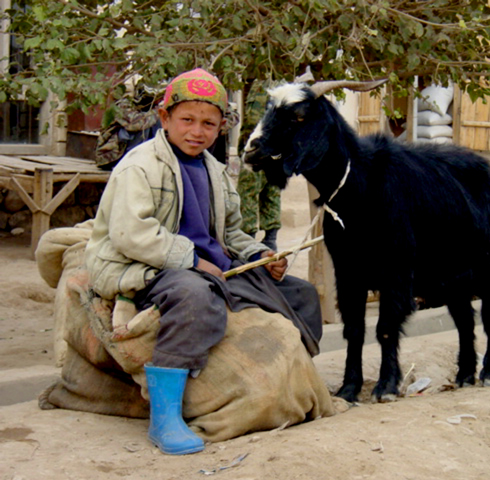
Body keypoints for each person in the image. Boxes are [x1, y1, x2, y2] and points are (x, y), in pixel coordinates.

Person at [84, 68, 322, 456]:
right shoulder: (140, 165)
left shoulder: (215, 170)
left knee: (301, 294)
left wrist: (258, 255)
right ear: (165, 118)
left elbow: (230, 234)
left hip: (211, 266)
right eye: (187, 120)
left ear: (220, 127)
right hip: (146, 265)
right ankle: (165, 418)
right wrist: (192, 260)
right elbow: (132, 234)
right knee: (196, 299)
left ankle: (296, 378)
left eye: (209, 123)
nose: (198, 131)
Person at [236, 81, 282, 251]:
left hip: (260, 148)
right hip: (269, 149)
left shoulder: (268, 86)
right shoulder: (265, 84)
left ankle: (249, 240)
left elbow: (253, 122)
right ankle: (269, 239)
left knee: (248, 192)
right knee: (271, 191)